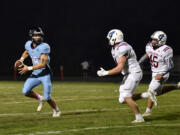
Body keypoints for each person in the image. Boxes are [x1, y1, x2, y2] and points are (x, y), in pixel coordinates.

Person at [97, 29, 144, 123]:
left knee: (126, 94)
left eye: (109, 38)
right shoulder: (114, 48)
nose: (108, 40)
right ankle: (147, 94)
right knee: (122, 99)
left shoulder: (123, 48)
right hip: (128, 74)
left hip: (134, 73)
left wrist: (105, 73)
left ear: (114, 38)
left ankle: (139, 118)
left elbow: (119, 68)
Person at [14, 27, 61, 117]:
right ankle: (40, 98)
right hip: (35, 74)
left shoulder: (44, 47)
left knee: (47, 97)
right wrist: (21, 59)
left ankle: (57, 110)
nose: (38, 37)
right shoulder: (28, 44)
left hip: (45, 74)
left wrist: (28, 68)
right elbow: (27, 52)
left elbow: (43, 64)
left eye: (39, 35)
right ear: (31, 36)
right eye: (35, 35)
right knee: (25, 91)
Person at [138, 31, 180, 117]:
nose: (153, 41)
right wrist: (139, 62)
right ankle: (177, 86)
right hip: (154, 72)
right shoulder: (149, 46)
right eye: (153, 39)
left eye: (155, 40)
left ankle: (148, 112)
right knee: (158, 92)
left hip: (162, 73)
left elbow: (170, 66)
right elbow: (148, 54)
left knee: (151, 91)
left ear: (161, 40)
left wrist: (162, 74)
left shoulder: (166, 50)